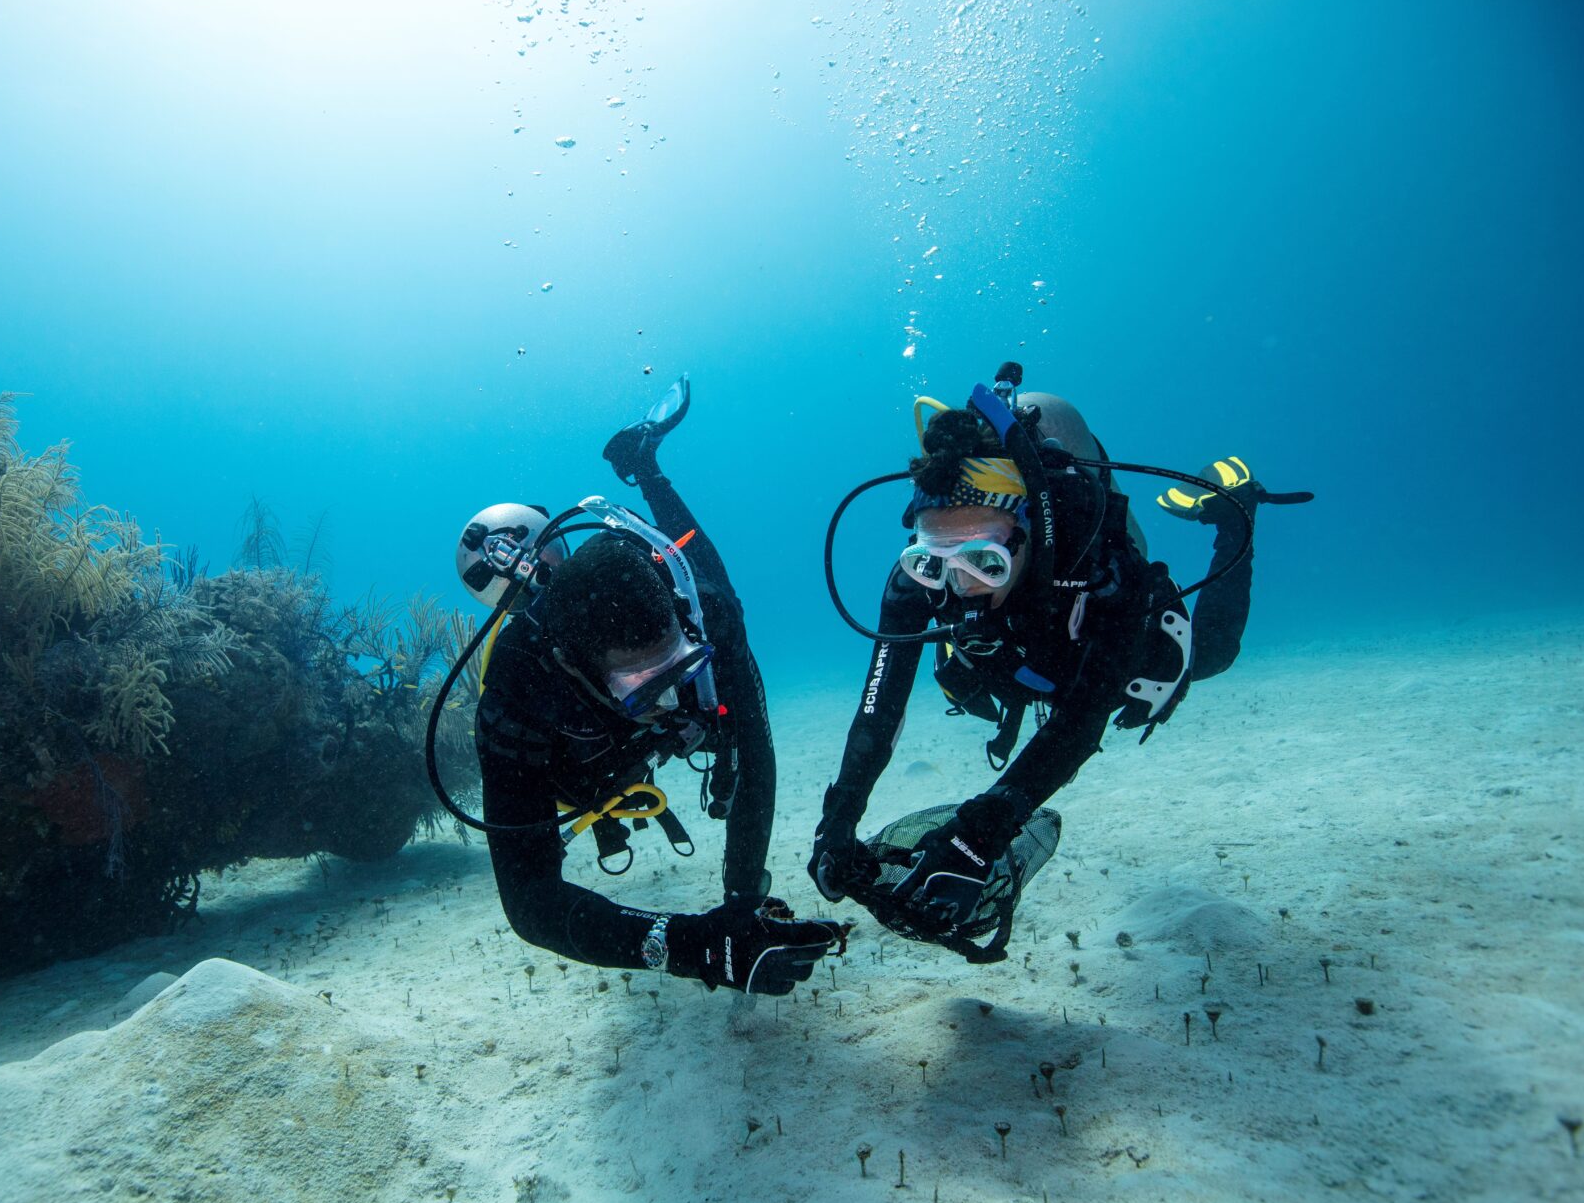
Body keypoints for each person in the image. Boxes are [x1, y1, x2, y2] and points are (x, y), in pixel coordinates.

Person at [808, 362, 1312, 961]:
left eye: (983, 563)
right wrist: (838, 818)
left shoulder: (1104, 579)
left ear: (1028, 532)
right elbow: (878, 708)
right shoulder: (916, 583)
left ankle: (1235, 508)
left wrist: (980, 832)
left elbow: (1082, 719)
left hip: (1090, 652)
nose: (956, 587)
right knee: (961, 649)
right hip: (1012, 660)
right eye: (932, 562)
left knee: (1210, 656)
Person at [439, 376, 848, 995]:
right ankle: (641, 463)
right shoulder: (517, 695)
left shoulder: (700, 613)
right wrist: (696, 948)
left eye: (678, 667)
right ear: (581, 675)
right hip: (583, 760)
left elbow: (753, 751)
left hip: (686, 599)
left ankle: (643, 464)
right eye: (641, 687)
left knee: (718, 586)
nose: (669, 701)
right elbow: (530, 904)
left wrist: (740, 902)